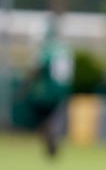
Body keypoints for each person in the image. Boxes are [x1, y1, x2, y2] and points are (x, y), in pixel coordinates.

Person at [26, 14, 73, 158]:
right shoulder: (64, 50)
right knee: (52, 120)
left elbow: (37, 70)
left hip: (46, 93)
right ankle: (52, 139)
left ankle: (50, 140)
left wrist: (25, 87)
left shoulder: (47, 50)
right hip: (61, 93)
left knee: (44, 121)